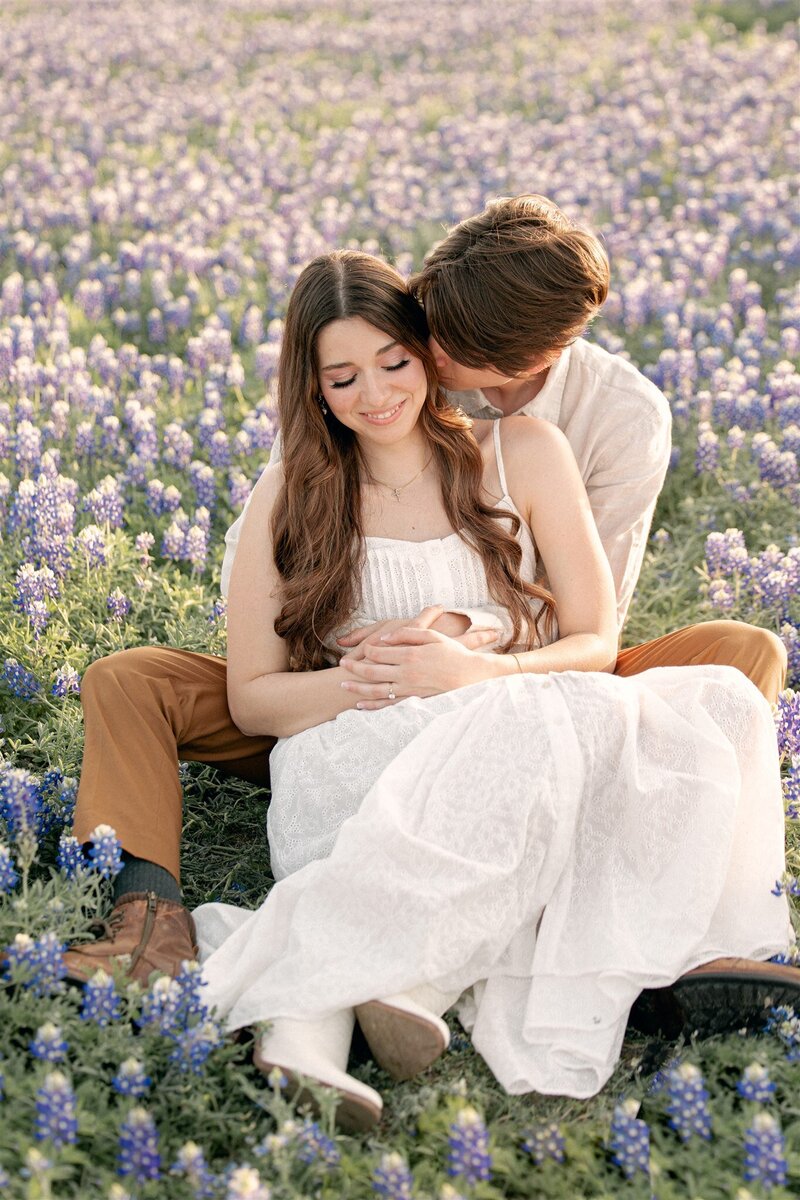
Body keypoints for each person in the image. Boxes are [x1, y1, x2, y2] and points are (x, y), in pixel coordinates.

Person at [64, 195, 787, 985]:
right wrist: (361, 665)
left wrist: (465, 644)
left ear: (521, 357)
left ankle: (680, 907)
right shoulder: (361, 385)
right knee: (130, 682)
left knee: (737, 655)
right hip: (343, 689)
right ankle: (146, 921)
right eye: (416, 334)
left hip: (530, 681)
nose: (414, 360)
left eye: (424, 352)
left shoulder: (606, 421)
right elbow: (280, 571)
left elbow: (591, 625)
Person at [172, 251, 791, 1132]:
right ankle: (355, 998)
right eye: (343, 377)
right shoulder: (289, 494)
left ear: (428, 352)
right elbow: (252, 703)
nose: (376, 394)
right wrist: (368, 680)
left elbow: (595, 640)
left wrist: (476, 669)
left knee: (712, 704)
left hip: (501, 724)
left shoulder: (524, 452)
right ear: (311, 388)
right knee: (541, 734)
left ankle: (344, 1002)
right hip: (352, 757)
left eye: (394, 362)